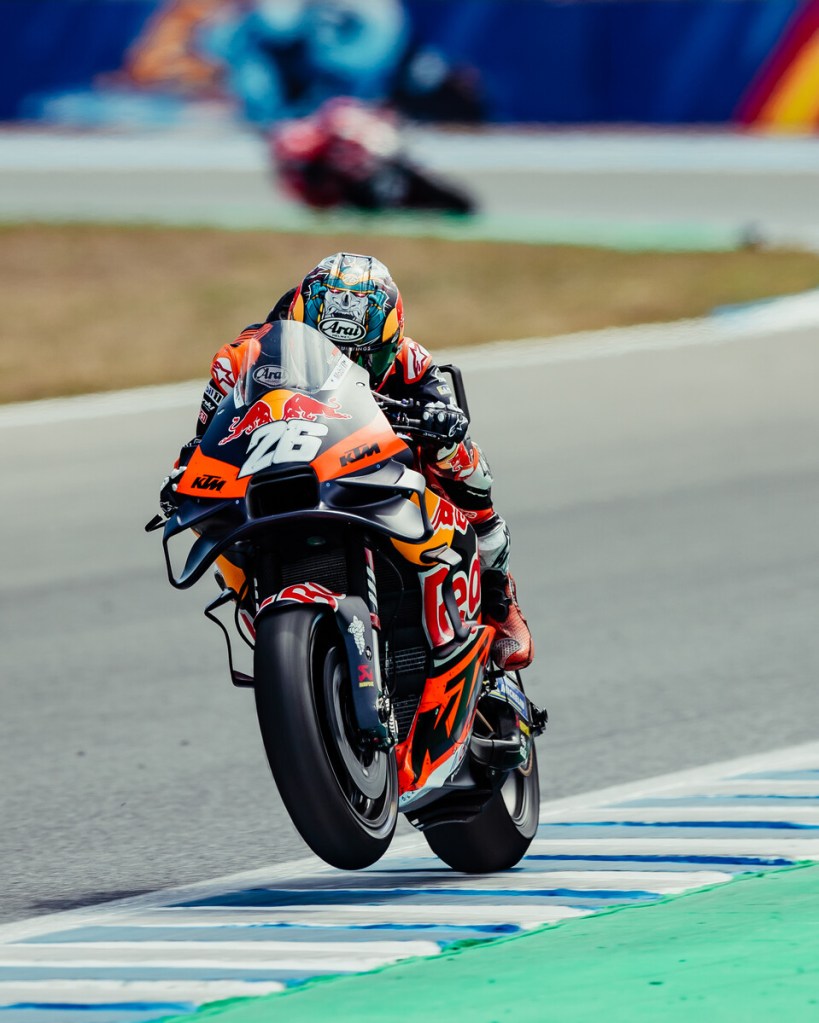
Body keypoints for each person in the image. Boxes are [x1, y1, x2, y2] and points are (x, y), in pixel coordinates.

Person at [161, 252, 532, 672]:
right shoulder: (241, 358)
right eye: (332, 351)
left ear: (391, 342)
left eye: (364, 356)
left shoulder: (410, 360)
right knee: (198, 503)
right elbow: (203, 439)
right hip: (284, 468)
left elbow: (447, 415)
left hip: (373, 464)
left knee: (461, 457)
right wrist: (182, 477)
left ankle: (498, 594)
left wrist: (440, 422)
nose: (346, 364)